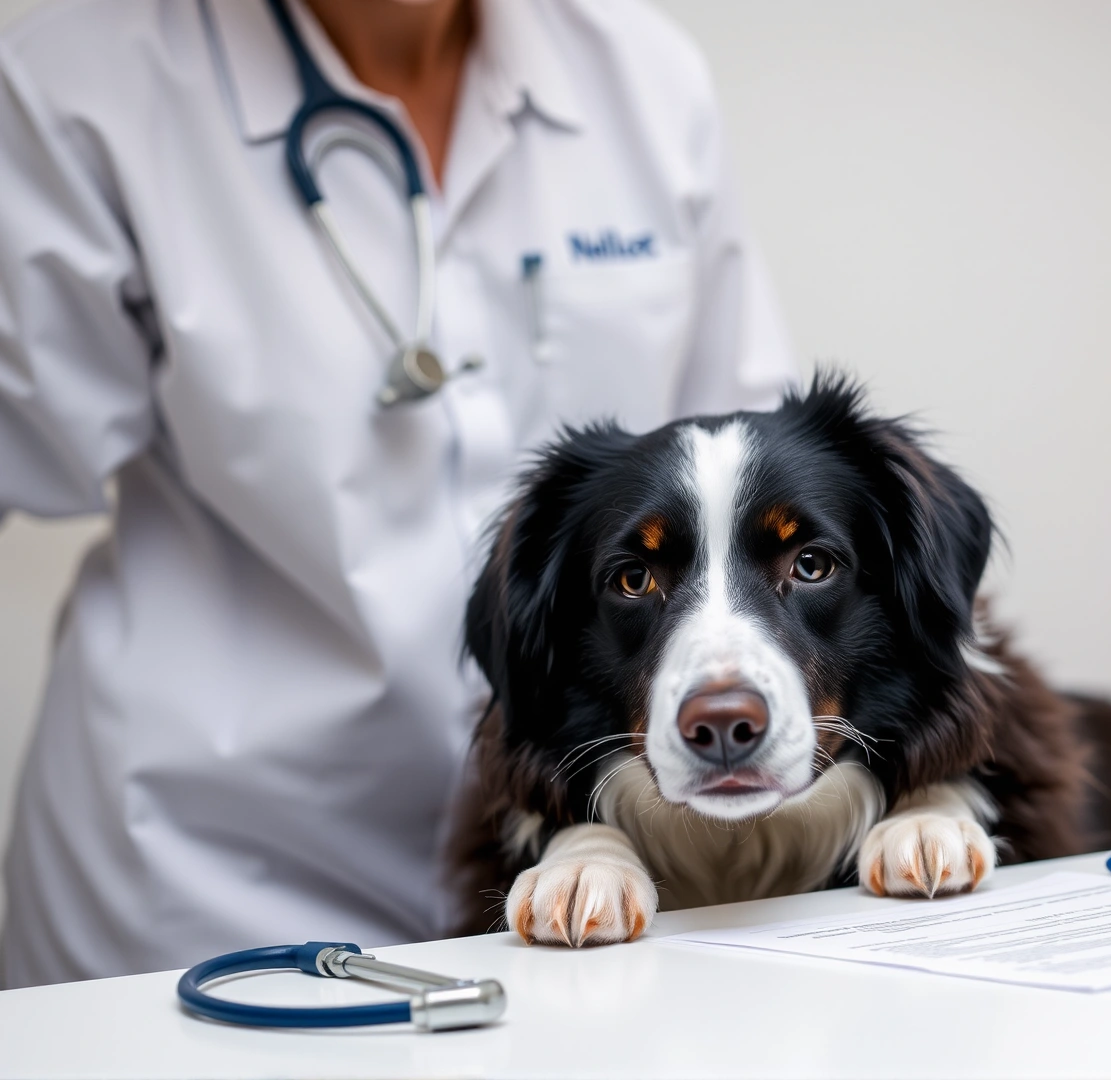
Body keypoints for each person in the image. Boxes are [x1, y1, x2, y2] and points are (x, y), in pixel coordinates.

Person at [0, 0, 792, 988]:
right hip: (204, 875)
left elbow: (744, 474)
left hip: (579, 865)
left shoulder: (640, 73)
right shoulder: (77, 81)